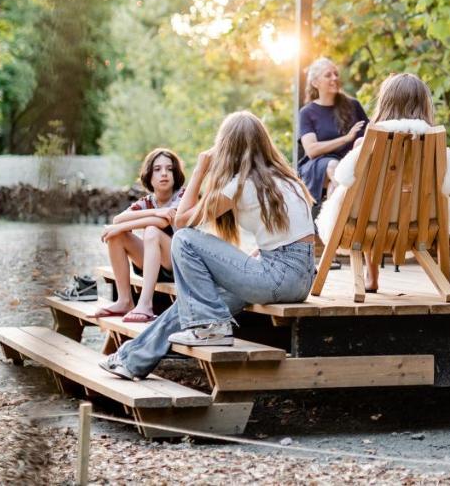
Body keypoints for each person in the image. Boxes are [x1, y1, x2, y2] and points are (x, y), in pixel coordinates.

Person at [100, 111, 316, 380]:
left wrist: (201, 169)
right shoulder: (284, 177)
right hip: (300, 277)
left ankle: (212, 327)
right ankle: (131, 359)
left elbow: (181, 223)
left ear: (226, 146)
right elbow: (294, 235)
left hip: (277, 276)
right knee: (197, 302)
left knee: (185, 240)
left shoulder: (241, 184)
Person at [315, 73, 450, 292]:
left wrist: (357, 148)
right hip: (420, 225)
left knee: (366, 199)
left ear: (385, 102)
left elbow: (343, 176)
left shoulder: (370, 143)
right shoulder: (435, 143)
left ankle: (371, 275)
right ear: (424, 104)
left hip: (362, 226)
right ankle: (441, 284)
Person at [91, 149, 185, 323]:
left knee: (151, 230)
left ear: (176, 173)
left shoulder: (183, 196)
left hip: (179, 265)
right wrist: (158, 211)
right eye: (157, 169)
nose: (164, 173)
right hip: (152, 263)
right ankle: (125, 301)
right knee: (116, 237)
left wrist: (120, 227)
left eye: (169, 169)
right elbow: (118, 218)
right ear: (149, 175)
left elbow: (162, 223)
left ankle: (145, 304)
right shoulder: (147, 202)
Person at [297, 58, 369, 208]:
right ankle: (346, 214)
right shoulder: (307, 112)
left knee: (335, 181)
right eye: (328, 75)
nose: (334, 78)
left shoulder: (353, 105)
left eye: (336, 74)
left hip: (351, 160)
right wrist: (346, 138)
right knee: (334, 166)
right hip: (320, 163)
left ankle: (332, 225)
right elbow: (311, 150)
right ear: (315, 83)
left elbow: (370, 135)